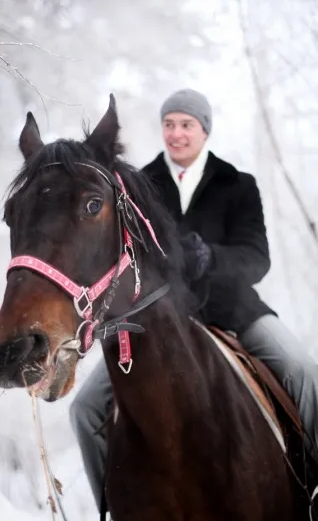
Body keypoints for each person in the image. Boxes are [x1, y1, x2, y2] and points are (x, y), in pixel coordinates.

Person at [70, 88, 318, 511]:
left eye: (186, 125)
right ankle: (108, 507)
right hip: (158, 324)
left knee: (304, 371)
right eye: (169, 124)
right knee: (85, 410)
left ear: (204, 130)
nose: (176, 133)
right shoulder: (137, 185)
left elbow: (256, 260)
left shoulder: (238, 185)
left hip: (234, 312)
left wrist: (211, 258)